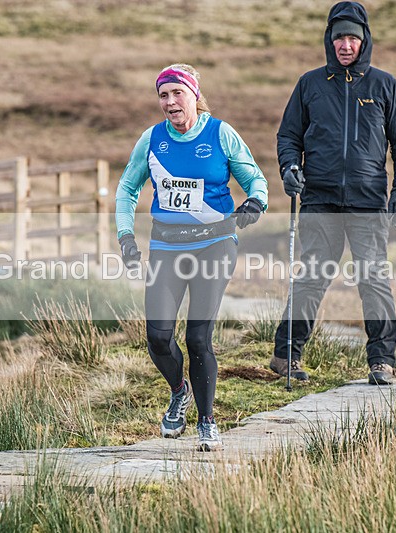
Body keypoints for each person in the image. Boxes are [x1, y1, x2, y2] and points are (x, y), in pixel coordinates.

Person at [115, 63, 268, 451]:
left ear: (195, 96)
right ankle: (178, 390)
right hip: (167, 245)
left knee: (198, 338)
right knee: (157, 337)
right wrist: (126, 237)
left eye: (177, 93)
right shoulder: (151, 140)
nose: (169, 102)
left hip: (215, 243)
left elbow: (255, 179)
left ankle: (207, 421)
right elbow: (127, 189)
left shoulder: (221, 134)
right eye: (163, 95)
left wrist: (255, 202)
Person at [271, 1, 396, 386]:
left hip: (369, 201)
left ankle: (381, 361)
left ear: (364, 40)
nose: (345, 44)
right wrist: (290, 168)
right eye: (339, 37)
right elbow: (288, 135)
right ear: (330, 40)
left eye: (352, 37)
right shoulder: (310, 84)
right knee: (313, 277)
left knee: (373, 279)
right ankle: (286, 355)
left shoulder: (385, 85)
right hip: (318, 199)